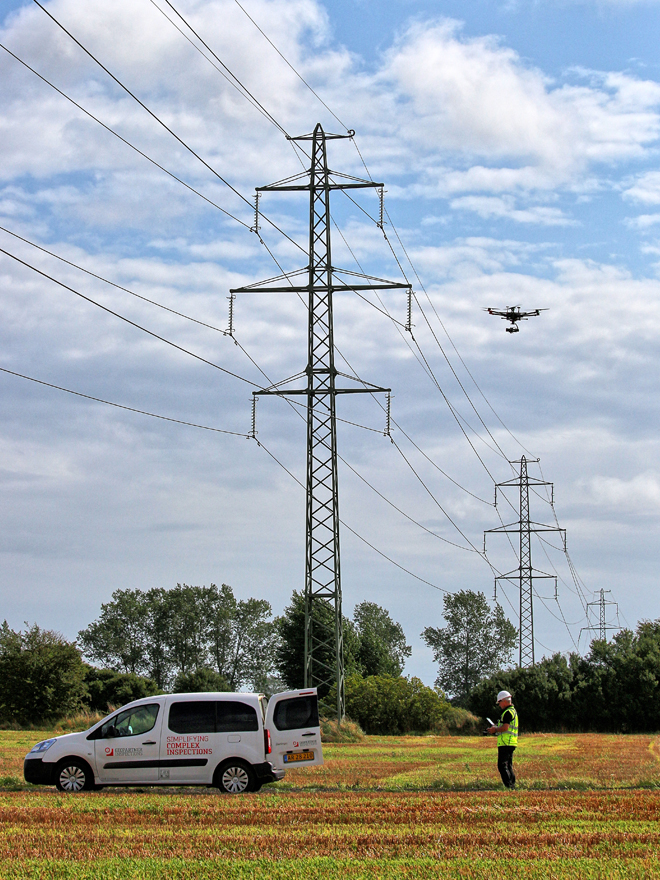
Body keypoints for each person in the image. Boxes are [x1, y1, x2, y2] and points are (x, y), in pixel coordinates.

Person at [487, 690, 518, 790]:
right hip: (511, 742)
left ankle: (509, 786)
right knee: (508, 765)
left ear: (504, 701)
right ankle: (512, 785)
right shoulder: (512, 711)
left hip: (506, 742)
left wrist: (495, 729)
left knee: (502, 765)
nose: (499, 705)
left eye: (499, 702)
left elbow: (505, 728)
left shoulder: (507, 713)